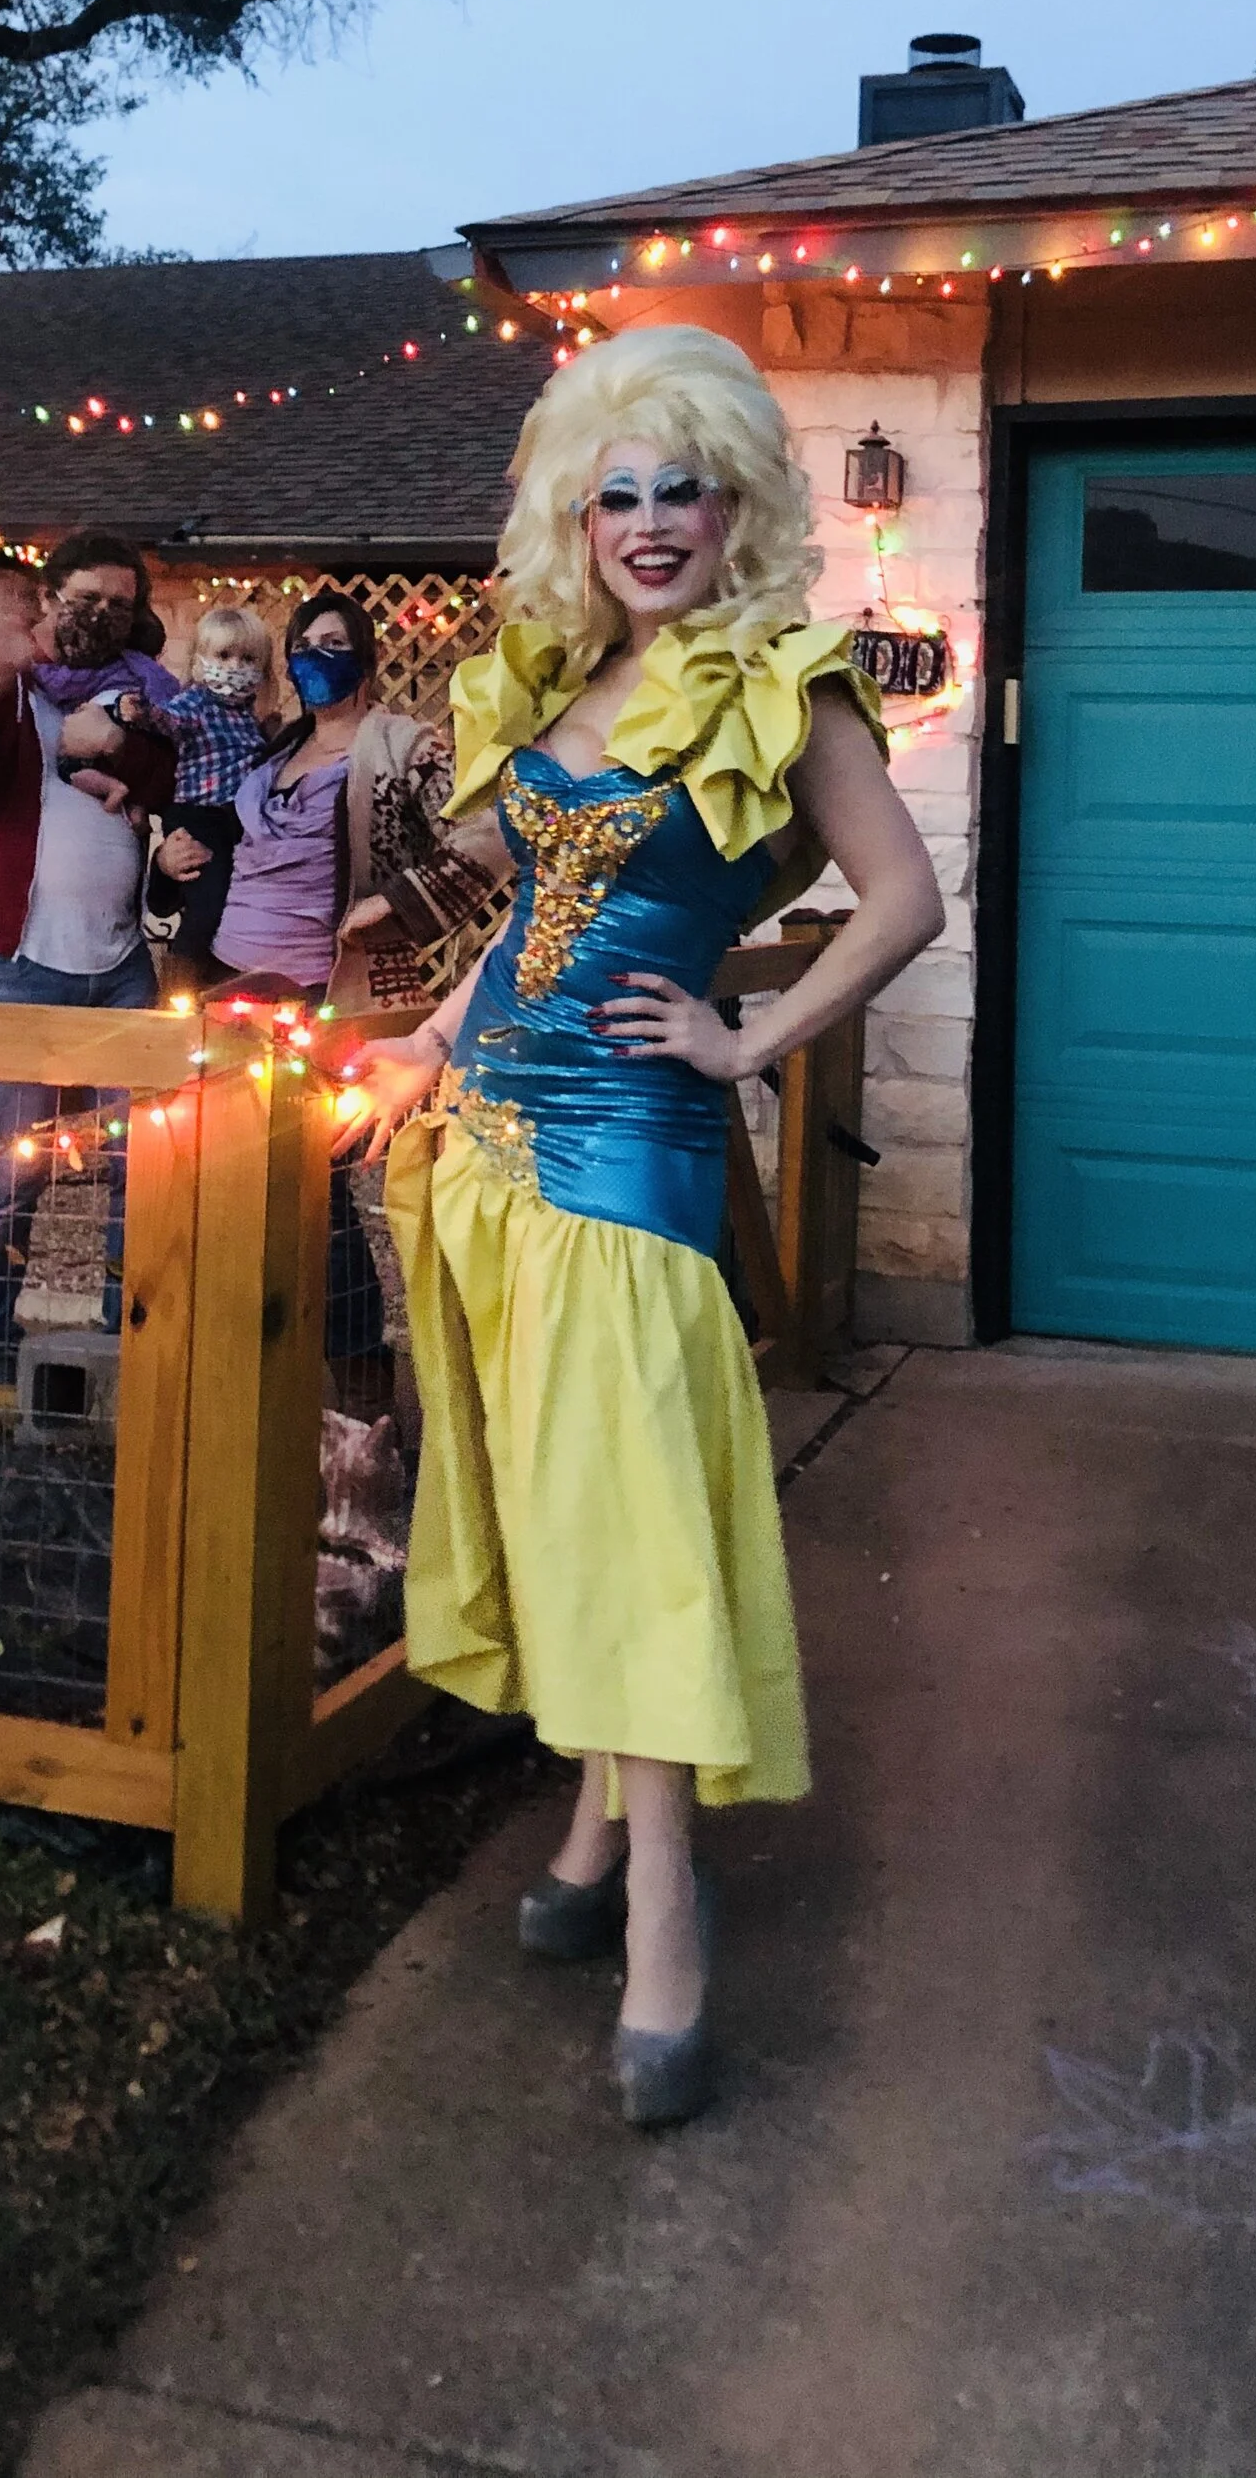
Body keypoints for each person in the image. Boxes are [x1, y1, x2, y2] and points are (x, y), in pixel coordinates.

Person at [339, 328, 945, 2128]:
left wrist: (751, 1035)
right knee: (544, 1495)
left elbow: (904, 895)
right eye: (621, 491)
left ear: (734, 497)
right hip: (490, 1149)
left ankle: (669, 1905)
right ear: (574, 514)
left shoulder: (782, 684)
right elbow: (534, 902)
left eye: (684, 486)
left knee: (636, 1520)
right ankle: (598, 1814)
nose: (654, 521)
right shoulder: (556, 678)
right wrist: (431, 1033)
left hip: (634, 1162)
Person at [163, 591, 505, 1414]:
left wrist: (398, 903)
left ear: (366, 654)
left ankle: (362, 1406)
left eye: (335, 642)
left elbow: (489, 836)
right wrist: (169, 855)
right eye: (306, 644)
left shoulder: (401, 745)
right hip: (221, 985)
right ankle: (259, 1400)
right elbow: (218, 833)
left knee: (315, 1200)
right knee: (227, 1192)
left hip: (324, 998)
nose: (319, 657)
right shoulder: (272, 746)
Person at [0, 533, 179, 1380]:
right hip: (13, 959)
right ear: (50, 596)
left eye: (121, 606)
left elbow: (169, 775)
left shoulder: (136, 688)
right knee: (13, 1164)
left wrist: (119, 743)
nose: (101, 618)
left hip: (120, 961)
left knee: (148, 1158)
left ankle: (126, 1330)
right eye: (86, 598)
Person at [140, 604, 276, 990]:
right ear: (201, 661)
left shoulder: (251, 717)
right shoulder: (196, 704)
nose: (235, 666)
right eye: (223, 656)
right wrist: (142, 711)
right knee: (208, 902)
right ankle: (181, 982)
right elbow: (169, 720)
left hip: (234, 819)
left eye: (248, 658)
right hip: (198, 815)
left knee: (232, 898)